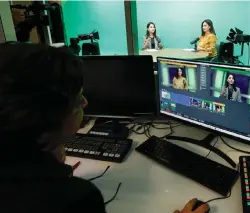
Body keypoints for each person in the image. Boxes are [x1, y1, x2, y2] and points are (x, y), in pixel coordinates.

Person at [0, 43, 208, 213]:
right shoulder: (74, 200)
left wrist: (46, 155)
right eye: (76, 98)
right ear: (48, 115)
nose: (85, 103)